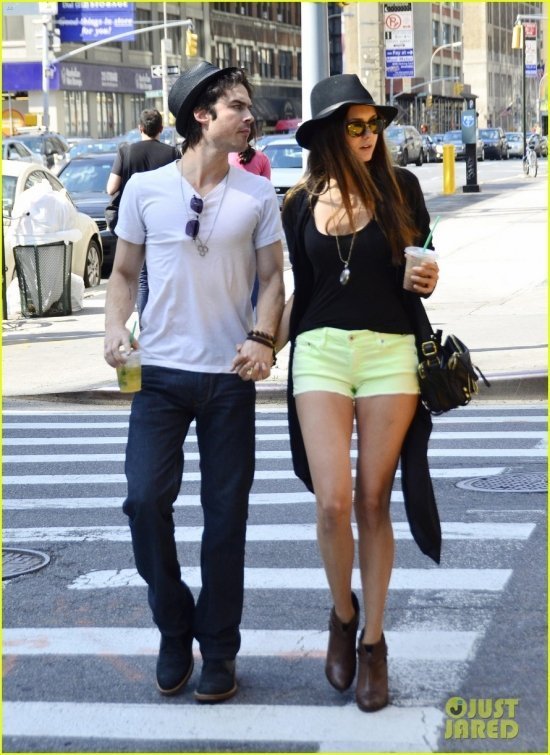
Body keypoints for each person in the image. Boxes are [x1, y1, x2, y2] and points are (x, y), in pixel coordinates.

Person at [104, 62, 285, 703]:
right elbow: (123, 273)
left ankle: (220, 648)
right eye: (237, 106)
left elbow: (274, 280)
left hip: (229, 377)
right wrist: (114, 329)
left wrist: (263, 339)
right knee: (142, 501)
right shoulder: (145, 189)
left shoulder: (258, 194)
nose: (249, 116)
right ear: (201, 117)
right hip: (158, 374)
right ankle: (174, 624)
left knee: (225, 518)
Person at [276, 74, 440, 712]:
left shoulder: (403, 189)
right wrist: (264, 342)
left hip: (389, 352)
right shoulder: (297, 203)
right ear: (328, 134)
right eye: (356, 126)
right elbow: (303, 290)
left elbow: (422, 264)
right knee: (332, 503)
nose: (370, 136)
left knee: (373, 501)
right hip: (319, 351)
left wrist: (426, 275)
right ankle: (341, 615)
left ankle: (373, 642)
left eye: (375, 125)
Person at [106, 108, 179, 317]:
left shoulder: (126, 152)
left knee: (143, 277)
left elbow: (111, 188)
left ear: (140, 128)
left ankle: (145, 324)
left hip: (134, 220)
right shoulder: (172, 153)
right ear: (161, 128)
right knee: (164, 273)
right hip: (164, 220)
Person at [228, 121, 271, 309]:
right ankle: (251, 309)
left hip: (230, 218)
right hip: (255, 218)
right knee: (255, 265)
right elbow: (266, 190)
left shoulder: (227, 157)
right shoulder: (262, 159)